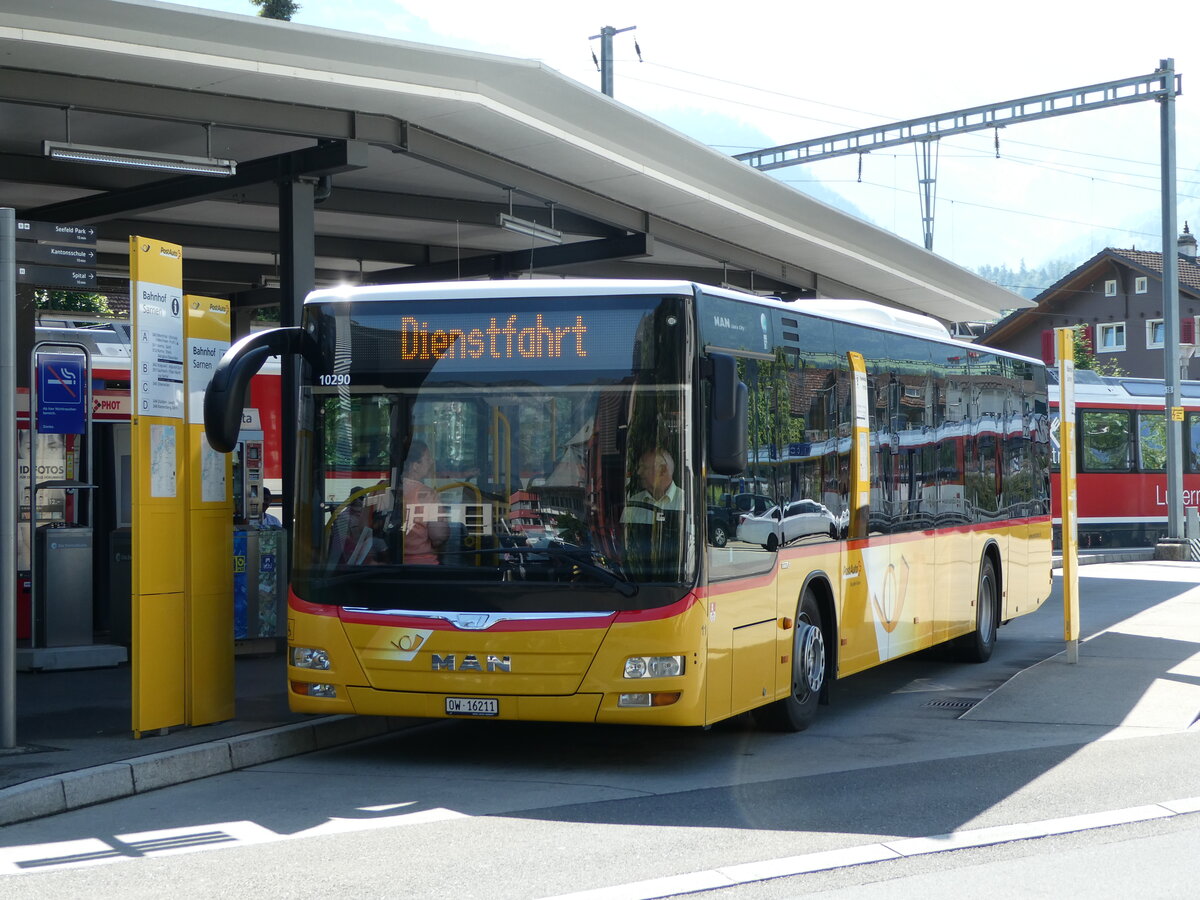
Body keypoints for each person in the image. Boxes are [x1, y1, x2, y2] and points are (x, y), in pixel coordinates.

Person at [402, 440, 449, 565]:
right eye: (428, 458)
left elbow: (362, 531)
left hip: (381, 568)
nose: (432, 462)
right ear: (415, 465)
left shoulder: (377, 491)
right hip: (421, 568)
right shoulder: (427, 495)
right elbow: (438, 536)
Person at [621, 447, 682, 524]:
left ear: (662, 470)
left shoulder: (685, 502)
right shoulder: (634, 502)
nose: (638, 472)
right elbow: (623, 534)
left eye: (644, 467)